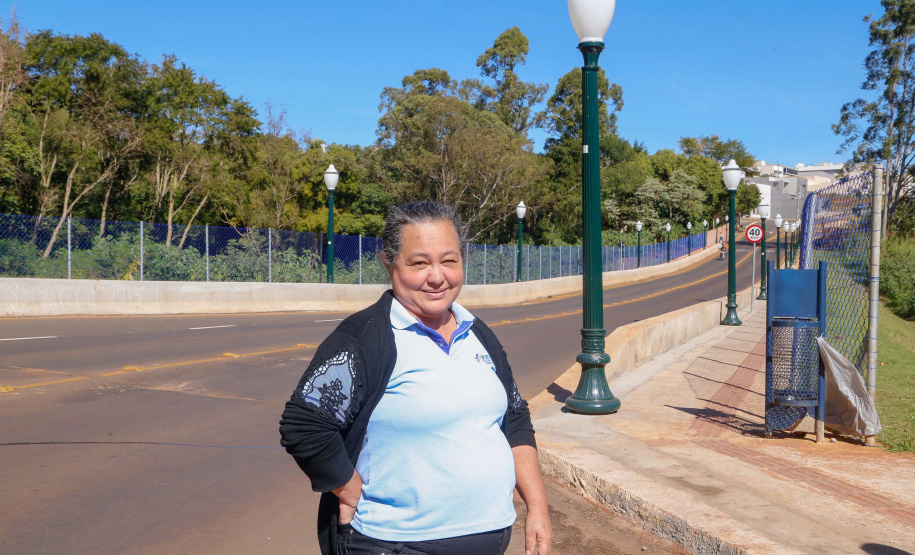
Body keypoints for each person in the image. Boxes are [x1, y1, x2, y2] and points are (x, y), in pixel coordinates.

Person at [279, 201, 552, 555]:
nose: (437, 276)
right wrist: (346, 488)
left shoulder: (476, 332)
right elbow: (304, 424)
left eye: (449, 261)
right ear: (390, 263)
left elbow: (514, 418)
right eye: (419, 263)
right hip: (396, 544)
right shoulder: (365, 338)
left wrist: (538, 507)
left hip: (489, 536)